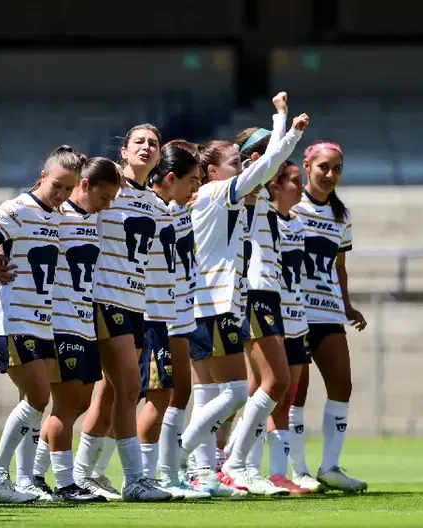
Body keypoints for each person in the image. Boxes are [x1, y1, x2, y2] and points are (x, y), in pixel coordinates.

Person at [179, 93, 306, 497]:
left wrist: (284, 128)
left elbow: (268, 164)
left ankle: (210, 468)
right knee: (258, 385)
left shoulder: (242, 195)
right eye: (237, 161)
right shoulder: (222, 194)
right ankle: (217, 461)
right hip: (236, 295)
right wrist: (285, 124)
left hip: (230, 297)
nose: (246, 166)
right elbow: (267, 163)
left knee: (215, 391)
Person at [0, 146, 83, 502]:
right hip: (12, 320)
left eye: (69, 188)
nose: (62, 194)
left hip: (42, 322)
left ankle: (25, 480)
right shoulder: (19, 207)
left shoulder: (57, 215)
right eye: (57, 186)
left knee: (33, 402)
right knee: (39, 397)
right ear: (42, 176)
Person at [77, 124, 172, 502]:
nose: (147, 148)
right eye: (139, 142)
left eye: (153, 144)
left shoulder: (156, 205)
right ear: (124, 151)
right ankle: (135, 479)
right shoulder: (108, 186)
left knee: (110, 392)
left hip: (136, 305)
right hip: (105, 297)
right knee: (131, 387)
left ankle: (84, 474)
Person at [32, 157, 121, 502]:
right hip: (60, 321)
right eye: (103, 196)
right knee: (67, 403)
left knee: (81, 401)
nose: (107, 205)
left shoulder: (94, 219)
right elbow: (11, 232)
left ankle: (36, 475)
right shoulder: (58, 214)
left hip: (84, 322)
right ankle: (65, 483)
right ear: (85, 185)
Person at [290, 140, 368, 492]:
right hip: (293, 310)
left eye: (337, 168)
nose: (330, 174)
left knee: (342, 386)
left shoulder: (342, 215)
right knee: (296, 392)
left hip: (327, 311)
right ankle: (298, 470)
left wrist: (347, 305)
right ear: (307, 165)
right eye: (324, 166)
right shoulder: (292, 206)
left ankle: (331, 467)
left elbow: (339, 266)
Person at [240, 161, 314, 494]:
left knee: (285, 397)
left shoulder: (296, 223)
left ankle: (279, 473)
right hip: (268, 310)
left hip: (295, 316)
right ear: (275, 186)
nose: (302, 186)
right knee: (264, 388)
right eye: (295, 181)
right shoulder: (261, 214)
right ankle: (242, 465)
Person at [144, 145, 207, 499]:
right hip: (156, 314)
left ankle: (167, 474)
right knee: (151, 397)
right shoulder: (154, 207)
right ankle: (145, 476)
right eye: (193, 179)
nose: (197, 186)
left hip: (179, 310)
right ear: (171, 177)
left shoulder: (179, 208)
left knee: (177, 392)